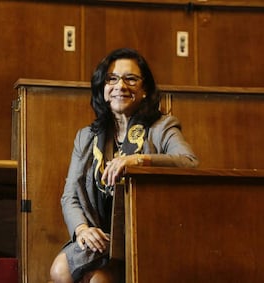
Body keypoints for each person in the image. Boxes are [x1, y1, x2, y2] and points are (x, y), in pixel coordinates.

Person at [49, 48, 199, 283]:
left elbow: (189, 163)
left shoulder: (161, 127)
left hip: (142, 237)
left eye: (131, 79)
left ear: (145, 89)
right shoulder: (87, 136)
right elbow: (70, 195)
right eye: (112, 79)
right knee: (59, 270)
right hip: (101, 237)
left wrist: (136, 161)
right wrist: (81, 229)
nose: (121, 86)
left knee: (99, 280)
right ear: (103, 88)